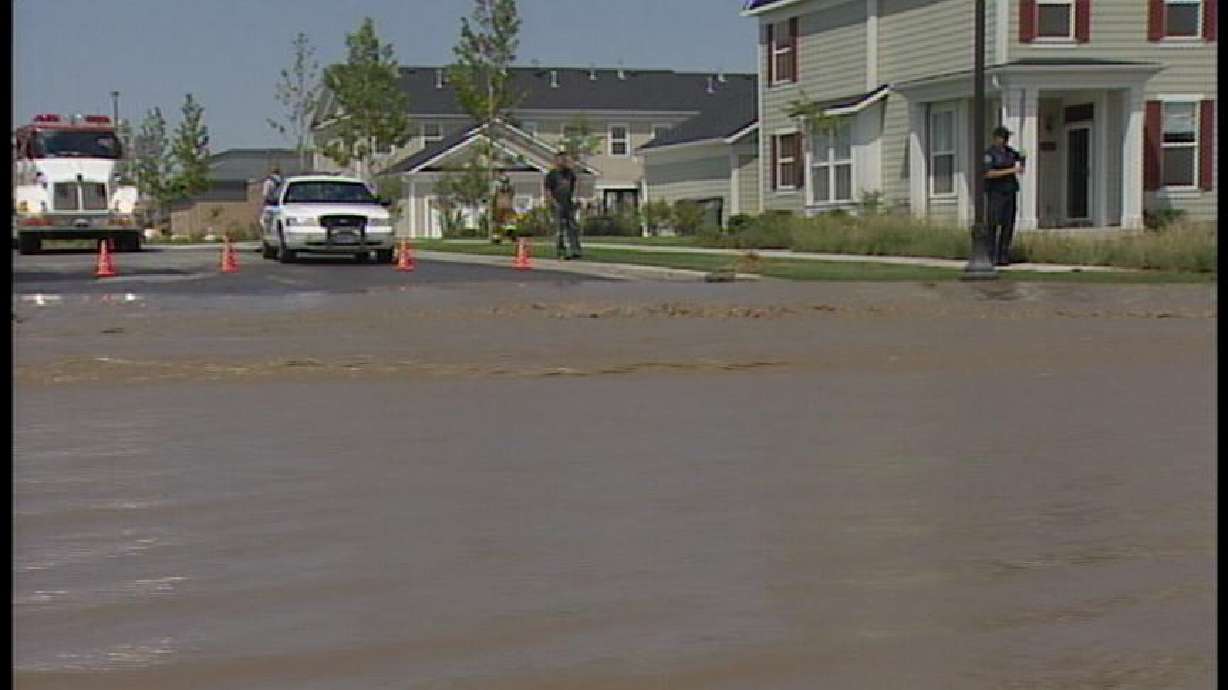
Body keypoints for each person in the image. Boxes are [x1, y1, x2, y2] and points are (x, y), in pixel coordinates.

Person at [983, 126, 1025, 266]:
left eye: (1007, 138)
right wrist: (1011, 170)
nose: (1005, 140)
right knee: (993, 224)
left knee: (1008, 225)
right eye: (1003, 137)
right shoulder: (990, 154)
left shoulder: (1010, 153)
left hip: (1010, 192)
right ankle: (991, 255)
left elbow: (1021, 156)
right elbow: (989, 174)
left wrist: (1023, 159)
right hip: (996, 193)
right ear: (996, 139)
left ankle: (1003, 255)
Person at [544, 149, 581, 260]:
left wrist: (575, 200)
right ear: (556, 160)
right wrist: (553, 202)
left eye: (565, 158)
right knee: (559, 229)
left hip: (568, 204)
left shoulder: (570, 174)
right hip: (557, 204)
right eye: (561, 158)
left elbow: (573, 188)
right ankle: (561, 251)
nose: (564, 161)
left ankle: (575, 250)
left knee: (573, 228)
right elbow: (547, 191)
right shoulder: (552, 174)